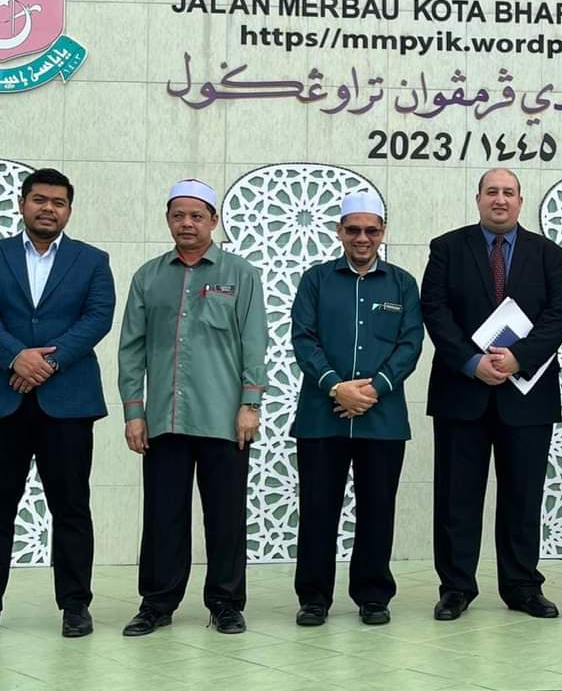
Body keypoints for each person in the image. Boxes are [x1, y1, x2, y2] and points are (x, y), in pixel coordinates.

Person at [421, 168, 562, 620]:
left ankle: (522, 586)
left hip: (527, 395)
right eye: (492, 192)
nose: (500, 200)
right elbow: (435, 310)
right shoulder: (447, 248)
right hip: (461, 392)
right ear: (478, 199)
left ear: (520, 201)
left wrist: (517, 358)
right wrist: (473, 362)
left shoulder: (549, 254)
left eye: (508, 192)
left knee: (523, 498)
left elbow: (559, 314)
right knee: (456, 498)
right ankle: (455, 588)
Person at [118, 179, 268, 636]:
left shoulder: (240, 273)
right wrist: (134, 412)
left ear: (213, 221)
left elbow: (254, 342)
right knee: (163, 516)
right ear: (168, 219)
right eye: (178, 215)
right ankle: (157, 604)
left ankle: (226, 603)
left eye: (197, 216)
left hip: (225, 418)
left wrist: (250, 404)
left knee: (226, 516)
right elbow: (131, 348)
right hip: (164, 419)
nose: (187, 223)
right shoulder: (148, 277)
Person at [290, 192, 423, 627]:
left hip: (383, 419)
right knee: (317, 510)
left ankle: (373, 595)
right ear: (339, 232)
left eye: (371, 230)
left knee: (377, 510)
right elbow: (303, 339)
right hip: (321, 417)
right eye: (353, 230)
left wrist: (373, 389)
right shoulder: (316, 280)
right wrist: (336, 387)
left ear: (383, 232)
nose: (362, 238)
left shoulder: (402, 284)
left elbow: (410, 344)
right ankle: (314, 598)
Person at [0, 168, 115, 637]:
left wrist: (46, 362)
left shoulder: (92, 260)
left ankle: (75, 605)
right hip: (5, 399)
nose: (48, 208)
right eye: (40, 199)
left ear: (69, 210)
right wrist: (15, 356)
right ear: (22, 204)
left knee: (70, 508)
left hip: (67, 403)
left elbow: (98, 317)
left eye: (58, 202)